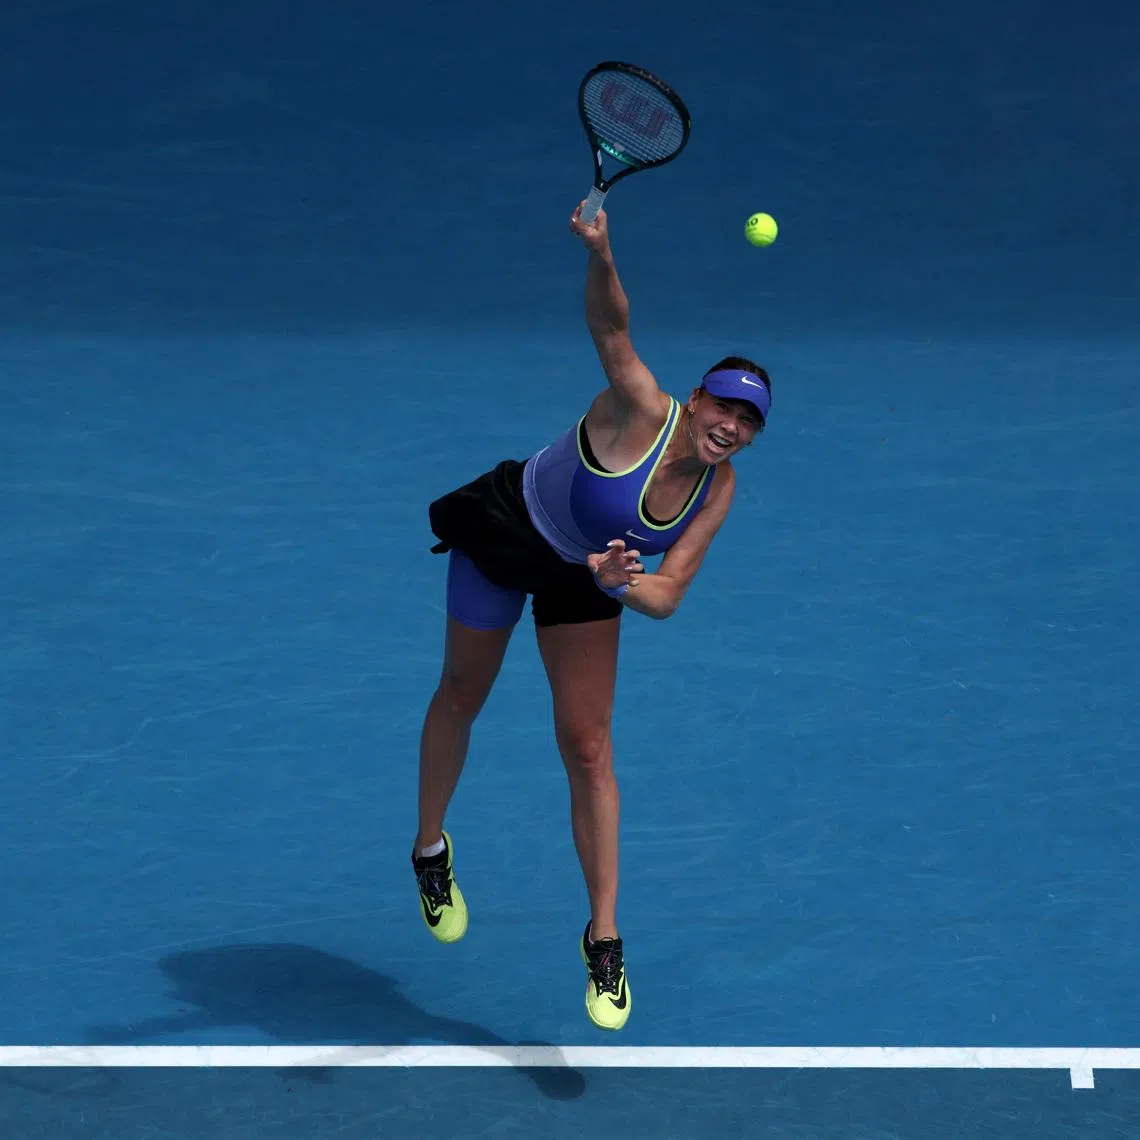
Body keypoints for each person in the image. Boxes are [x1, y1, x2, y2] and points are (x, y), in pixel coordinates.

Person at [411, 201, 772, 1032]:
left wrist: (614, 582)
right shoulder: (642, 407)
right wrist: (601, 252)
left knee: (589, 745)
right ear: (695, 398)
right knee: (463, 693)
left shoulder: (718, 493)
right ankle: (431, 849)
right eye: (725, 408)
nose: (731, 428)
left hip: (591, 572)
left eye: (749, 423)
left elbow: (668, 595)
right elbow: (611, 326)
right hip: (511, 530)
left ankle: (603, 938)